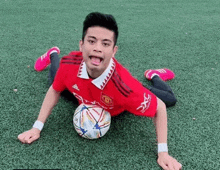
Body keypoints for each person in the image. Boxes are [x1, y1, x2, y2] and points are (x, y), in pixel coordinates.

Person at [18, 12, 182, 170]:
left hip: (118, 101)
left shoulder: (125, 88)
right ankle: (53, 54)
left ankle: (155, 75)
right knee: (54, 80)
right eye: (91, 41)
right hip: (83, 93)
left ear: (114, 51)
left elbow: (159, 108)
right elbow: (55, 90)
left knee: (169, 99)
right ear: (81, 45)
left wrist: (163, 153)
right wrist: (36, 127)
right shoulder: (69, 64)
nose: (97, 48)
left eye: (105, 44)